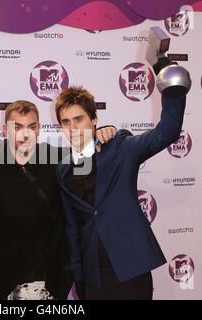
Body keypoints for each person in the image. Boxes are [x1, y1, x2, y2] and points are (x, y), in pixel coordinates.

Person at [0, 100, 115, 299]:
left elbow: (96, 153)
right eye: (17, 127)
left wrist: (106, 132)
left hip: (46, 278)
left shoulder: (59, 158)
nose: (24, 134)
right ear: (4, 130)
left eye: (31, 127)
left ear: (39, 129)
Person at [55, 86, 186, 300]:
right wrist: (79, 277)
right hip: (93, 274)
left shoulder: (120, 148)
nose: (72, 128)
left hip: (131, 265)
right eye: (66, 122)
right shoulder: (63, 169)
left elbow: (167, 131)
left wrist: (170, 83)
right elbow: (72, 229)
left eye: (78, 119)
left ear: (94, 119)